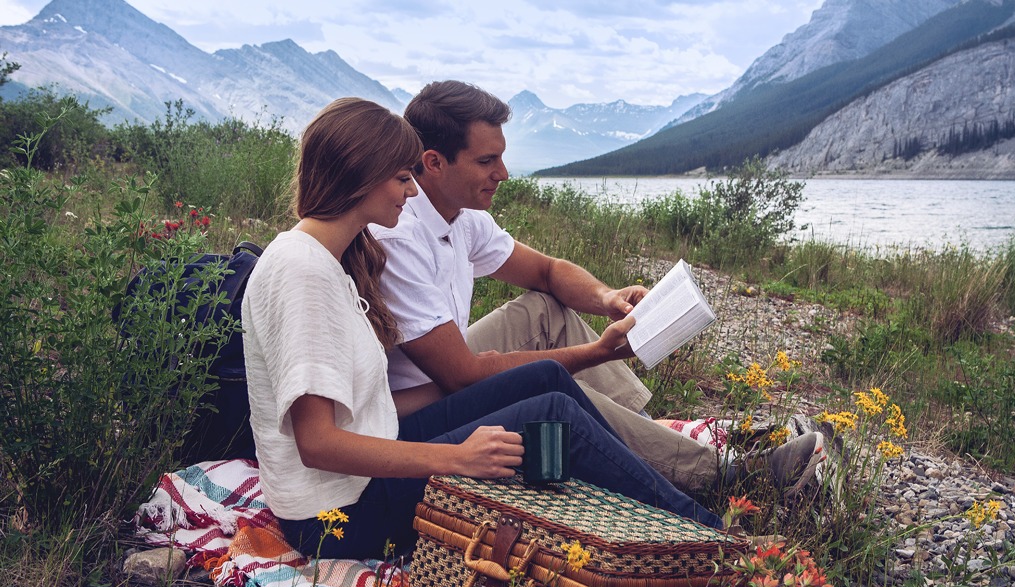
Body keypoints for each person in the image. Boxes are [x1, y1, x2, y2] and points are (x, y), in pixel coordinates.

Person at [241, 97, 722, 560]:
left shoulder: (328, 261)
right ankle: (716, 541)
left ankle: (666, 500)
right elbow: (317, 443)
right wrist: (456, 457)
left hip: (373, 458)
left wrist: (503, 391)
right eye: (402, 178)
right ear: (359, 176)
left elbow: (373, 406)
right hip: (337, 513)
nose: (411, 192)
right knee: (552, 415)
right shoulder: (302, 272)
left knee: (543, 384)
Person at [373, 80, 825, 497]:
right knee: (549, 382)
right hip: (414, 413)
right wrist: (598, 353)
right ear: (433, 162)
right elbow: (462, 377)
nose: (504, 173)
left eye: (502, 157)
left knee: (544, 310)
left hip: (444, 374)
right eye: (487, 161)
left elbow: (548, 271)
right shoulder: (399, 237)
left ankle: (647, 438)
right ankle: (719, 476)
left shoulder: (464, 217)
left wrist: (607, 298)